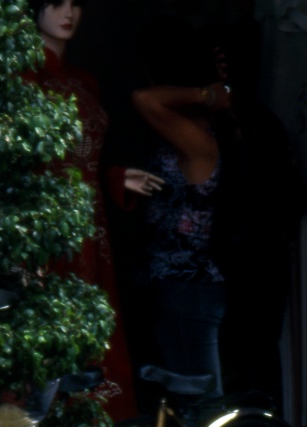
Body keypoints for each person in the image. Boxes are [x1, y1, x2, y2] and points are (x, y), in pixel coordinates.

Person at [24, 0, 159, 422]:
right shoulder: (25, 81)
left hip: (90, 229)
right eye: (57, 3)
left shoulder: (84, 82)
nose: (69, 13)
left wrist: (115, 178)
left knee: (96, 331)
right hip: (47, 228)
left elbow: (83, 162)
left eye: (76, 4)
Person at [132, 61, 233, 403]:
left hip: (190, 285)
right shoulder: (182, 133)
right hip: (171, 283)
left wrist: (204, 95)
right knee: (179, 404)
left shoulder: (198, 137)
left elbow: (145, 100)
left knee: (203, 405)